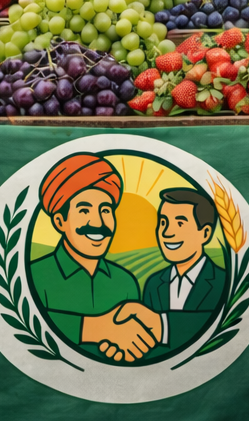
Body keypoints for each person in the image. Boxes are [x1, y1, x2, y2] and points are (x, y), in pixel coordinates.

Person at [29, 153, 161, 362]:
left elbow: (127, 345)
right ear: (60, 221)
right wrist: (95, 329)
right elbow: (24, 322)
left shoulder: (126, 282)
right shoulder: (33, 275)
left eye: (105, 210)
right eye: (84, 210)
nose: (98, 223)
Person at [140, 188, 225, 356]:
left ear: (205, 233)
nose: (167, 232)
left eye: (180, 223)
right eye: (163, 222)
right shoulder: (154, 284)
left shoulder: (223, 282)